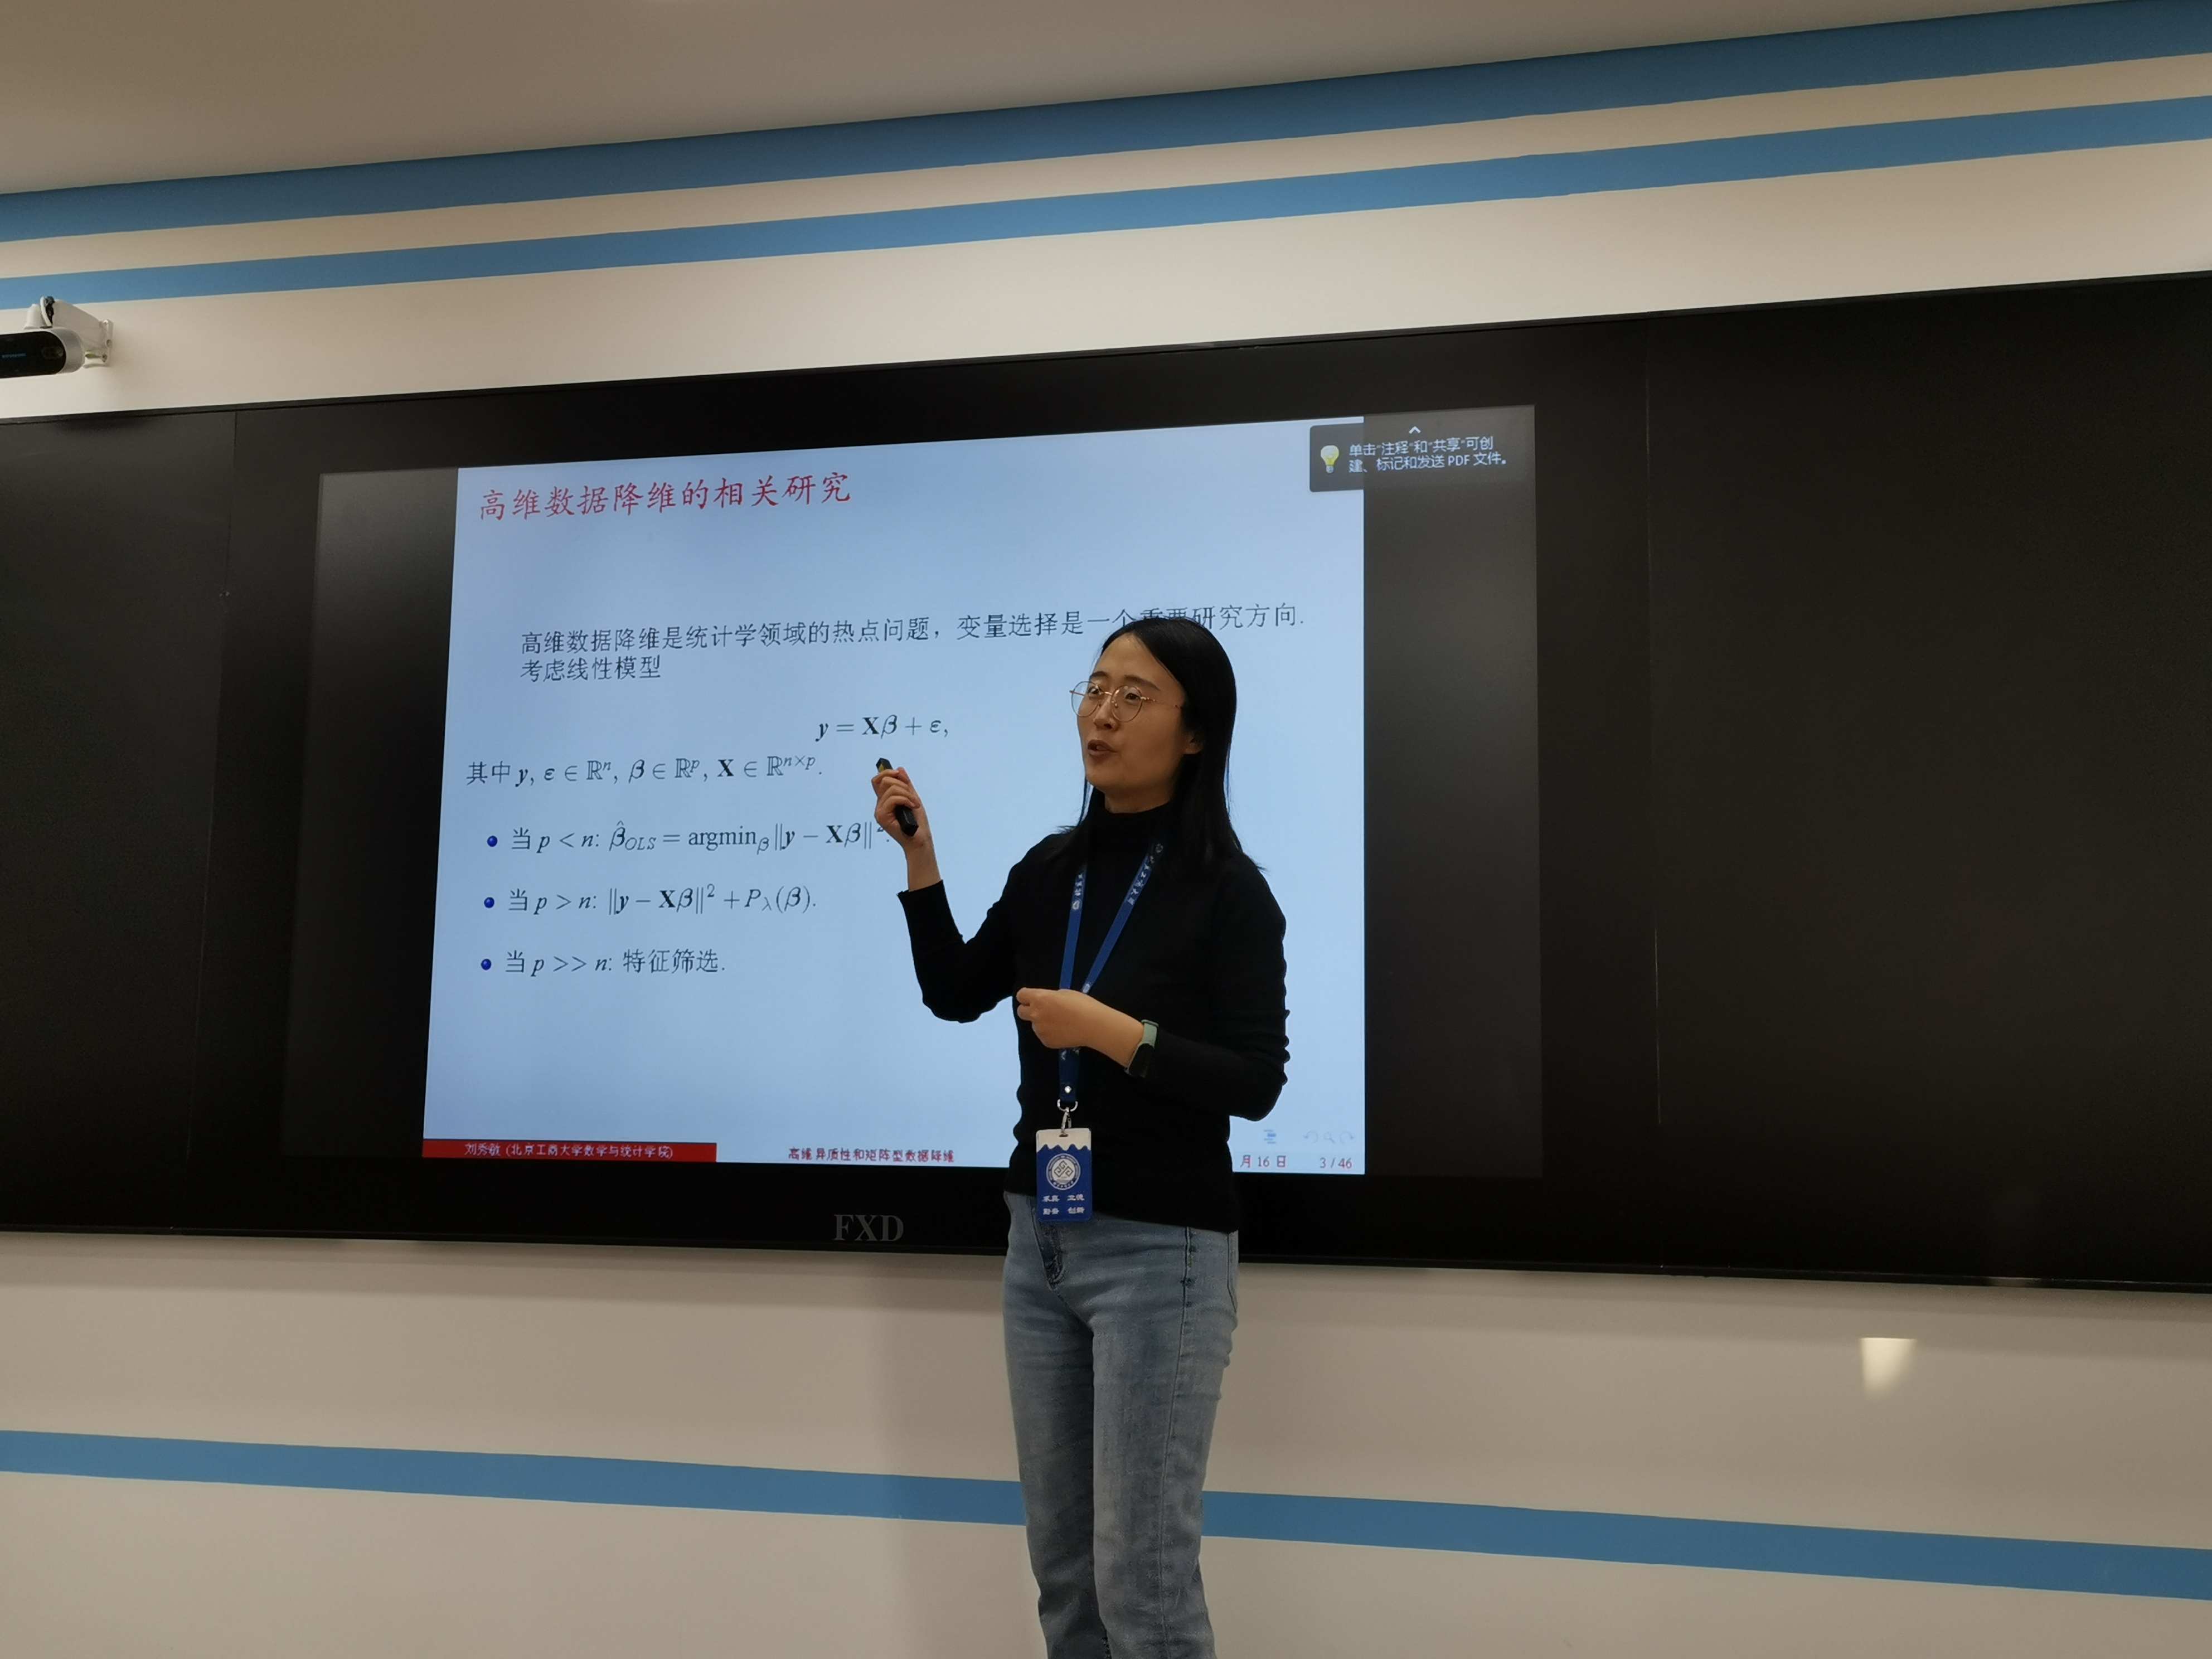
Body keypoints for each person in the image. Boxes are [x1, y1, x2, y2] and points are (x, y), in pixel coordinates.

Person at [871, 615, 1287, 1659]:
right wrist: (920, 856)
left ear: (1197, 732)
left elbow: (1256, 1081)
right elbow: (954, 991)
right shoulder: (1051, 869)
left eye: (1133, 696)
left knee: (1143, 1586)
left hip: (1161, 1254)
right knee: (1066, 1579)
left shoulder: (1229, 890)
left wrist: (1112, 1033)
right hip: (1040, 1244)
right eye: (1095, 689)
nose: (1102, 714)